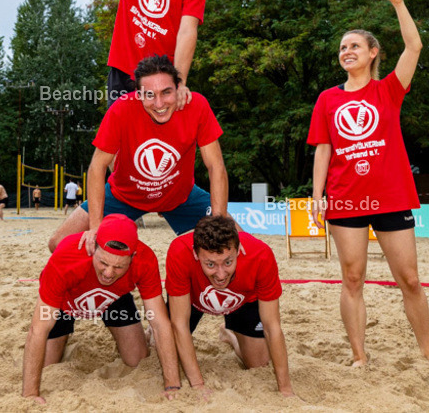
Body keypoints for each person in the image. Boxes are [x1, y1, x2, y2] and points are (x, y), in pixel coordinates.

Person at [307, 0, 429, 366]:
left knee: (410, 279)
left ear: (372, 53)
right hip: (345, 198)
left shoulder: (388, 90)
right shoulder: (328, 99)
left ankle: (428, 353)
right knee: (352, 278)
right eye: (342, 48)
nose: (347, 52)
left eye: (355, 46)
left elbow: (414, 47)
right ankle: (359, 356)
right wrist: (318, 195)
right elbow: (324, 148)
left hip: (391, 196)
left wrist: (399, 2)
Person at [49, 55, 228, 253]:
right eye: (150, 95)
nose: (159, 103)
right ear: (139, 94)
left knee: (233, 243)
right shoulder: (121, 109)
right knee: (59, 244)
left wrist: (218, 222)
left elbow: (216, 166)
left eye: (166, 92)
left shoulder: (196, 106)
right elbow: (97, 167)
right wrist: (96, 228)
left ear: (179, 88)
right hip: (124, 194)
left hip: (180, 195)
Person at [22, 214, 181, 403]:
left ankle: (140, 335)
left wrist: (172, 385)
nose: (108, 273)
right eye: (103, 263)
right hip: (66, 301)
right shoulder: (67, 256)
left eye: (119, 267)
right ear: (93, 246)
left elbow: (160, 322)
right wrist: (30, 394)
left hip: (114, 298)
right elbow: (38, 329)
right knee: (46, 367)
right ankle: (63, 340)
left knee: (137, 359)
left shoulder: (145, 260)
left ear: (133, 255)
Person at [166, 215, 293, 400]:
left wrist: (286, 389)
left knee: (259, 364)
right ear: (195, 254)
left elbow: (272, 327)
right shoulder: (179, 251)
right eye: (210, 264)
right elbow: (179, 324)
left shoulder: (261, 254)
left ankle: (229, 334)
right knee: (162, 349)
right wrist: (198, 386)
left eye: (228, 262)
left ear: (238, 249)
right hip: (192, 299)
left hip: (243, 300)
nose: (220, 274)